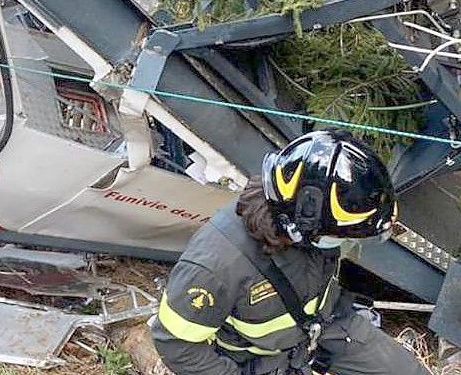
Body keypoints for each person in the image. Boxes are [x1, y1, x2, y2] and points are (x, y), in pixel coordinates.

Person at [151, 130, 428, 375]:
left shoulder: (306, 226)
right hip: (255, 359)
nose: (341, 244)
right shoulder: (216, 265)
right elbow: (177, 346)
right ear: (301, 224)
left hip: (324, 326)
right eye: (339, 236)